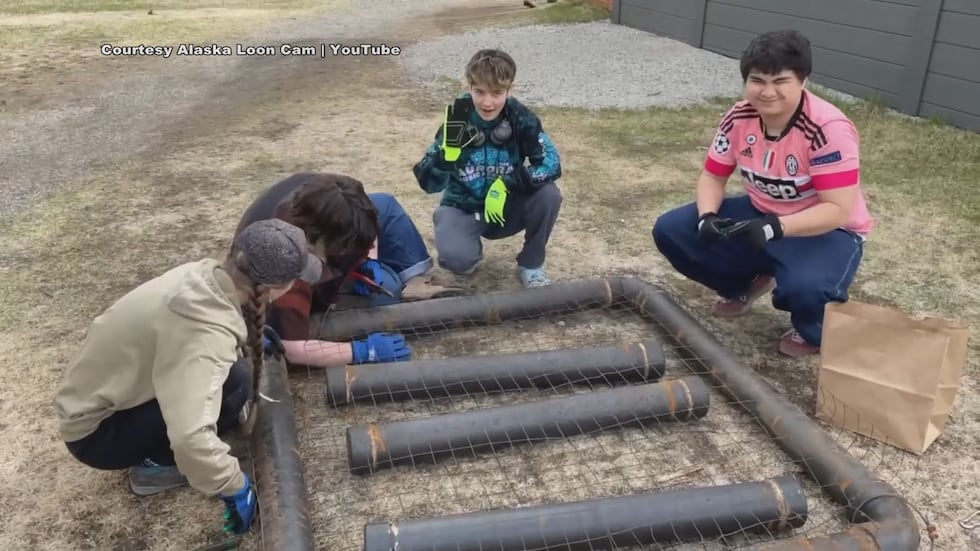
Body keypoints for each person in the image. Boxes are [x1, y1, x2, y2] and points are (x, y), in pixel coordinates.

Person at [53, 218, 323, 536]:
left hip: (104, 400)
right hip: (97, 436)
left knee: (232, 374)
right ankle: (154, 469)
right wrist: (233, 486)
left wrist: (246, 336)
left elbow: (186, 343)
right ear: (275, 288)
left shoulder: (203, 275)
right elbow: (190, 437)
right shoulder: (204, 334)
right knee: (233, 384)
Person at [651, 29, 874, 357]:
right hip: (763, 212)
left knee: (806, 288)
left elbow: (837, 209)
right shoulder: (739, 116)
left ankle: (812, 331)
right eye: (757, 80)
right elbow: (712, 176)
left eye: (780, 81)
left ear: (803, 81)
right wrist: (707, 217)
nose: (767, 92)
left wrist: (776, 227)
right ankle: (744, 284)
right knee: (672, 230)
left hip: (827, 228)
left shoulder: (829, 129)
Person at [234, 172, 466, 369]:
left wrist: (368, 262)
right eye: (354, 247)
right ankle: (338, 304)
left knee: (384, 203)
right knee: (386, 293)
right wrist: (362, 352)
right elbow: (291, 348)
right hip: (290, 273)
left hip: (320, 244)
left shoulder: (331, 198)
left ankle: (414, 280)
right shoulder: (286, 270)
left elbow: (367, 221)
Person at [413, 48, 563, 288]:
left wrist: (506, 183)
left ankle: (531, 264)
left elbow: (551, 163)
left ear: (510, 90)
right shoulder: (456, 120)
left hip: (507, 205)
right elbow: (427, 182)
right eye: (479, 92)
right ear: (469, 87)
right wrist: (445, 156)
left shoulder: (522, 118)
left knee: (549, 194)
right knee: (457, 262)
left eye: (497, 93)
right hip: (463, 207)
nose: (487, 102)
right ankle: (466, 250)